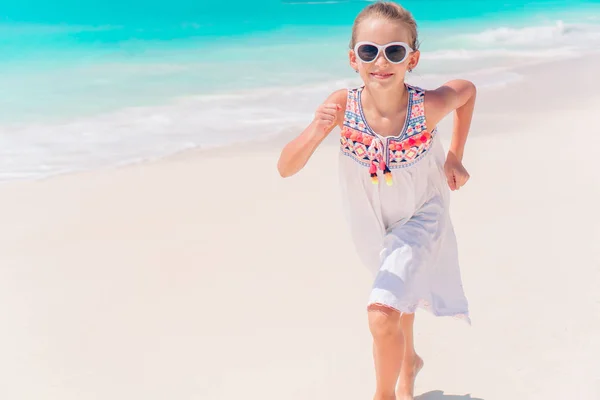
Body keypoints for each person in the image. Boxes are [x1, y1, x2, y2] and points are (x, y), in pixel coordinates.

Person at [277, 2, 476, 399]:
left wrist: (455, 155)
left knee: (382, 312)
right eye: (369, 51)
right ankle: (409, 363)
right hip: (369, 222)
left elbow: (466, 92)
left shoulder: (427, 106)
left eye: (394, 52)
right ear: (354, 58)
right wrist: (317, 132)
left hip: (422, 213)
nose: (381, 61)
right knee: (395, 296)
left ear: (412, 59)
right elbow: (286, 167)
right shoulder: (343, 106)